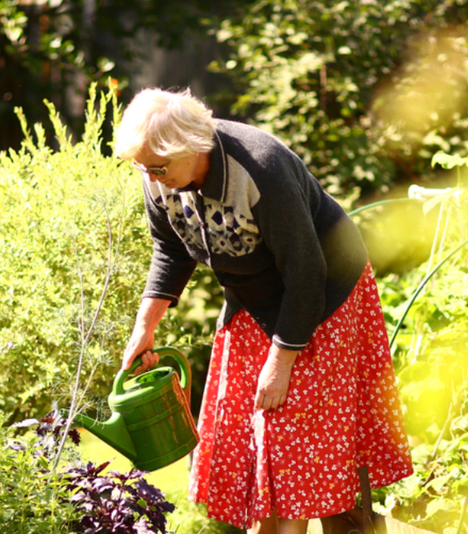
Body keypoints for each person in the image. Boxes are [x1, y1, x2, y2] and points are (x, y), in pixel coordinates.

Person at [114, 88, 413, 534]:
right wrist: (145, 328)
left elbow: (307, 272)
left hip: (327, 292)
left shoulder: (261, 167)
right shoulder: (160, 174)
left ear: (192, 146)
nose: (152, 178)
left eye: (158, 167)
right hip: (251, 299)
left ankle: (348, 525)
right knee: (252, 427)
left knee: (303, 430)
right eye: (142, 168)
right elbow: (171, 250)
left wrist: (281, 361)